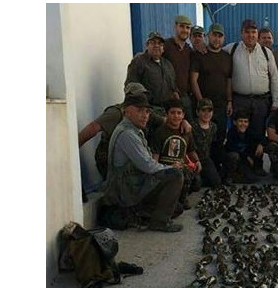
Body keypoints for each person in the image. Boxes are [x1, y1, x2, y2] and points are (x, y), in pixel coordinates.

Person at [100, 92, 184, 232]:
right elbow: (148, 166)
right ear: (127, 111)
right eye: (140, 111)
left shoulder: (134, 130)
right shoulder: (127, 134)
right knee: (175, 175)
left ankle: (139, 214)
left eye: (147, 111)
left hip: (135, 187)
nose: (145, 115)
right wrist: (170, 168)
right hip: (126, 193)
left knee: (177, 207)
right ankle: (159, 222)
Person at [78, 83, 166, 180]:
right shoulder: (116, 113)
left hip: (132, 157)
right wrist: (73, 149)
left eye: (144, 95)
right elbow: (93, 127)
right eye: (138, 95)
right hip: (109, 157)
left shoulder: (144, 112)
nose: (145, 115)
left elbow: (165, 122)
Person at [225, 18, 278, 155]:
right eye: (247, 32)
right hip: (240, 100)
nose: (251, 35)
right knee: (239, 135)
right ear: (241, 33)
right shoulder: (231, 49)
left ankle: (257, 163)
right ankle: (240, 163)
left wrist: (276, 101)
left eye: (253, 32)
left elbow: (274, 78)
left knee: (258, 134)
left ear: (257, 34)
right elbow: (214, 53)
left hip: (261, 102)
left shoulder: (266, 53)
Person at [190, 22, 233, 166]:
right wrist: (201, 102)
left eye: (220, 36)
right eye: (214, 35)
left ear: (224, 38)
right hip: (204, 107)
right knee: (202, 140)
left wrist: (229, 101)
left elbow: (229, 80)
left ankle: (217, 168)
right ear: (208, 36)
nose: (217, 39)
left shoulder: (227, 57)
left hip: (221, 106)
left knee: (219, 139)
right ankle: (201, 169)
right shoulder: (200, 55)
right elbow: (193, 80)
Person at [150, 99, 201, 209]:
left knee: (197, 181)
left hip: (181, 167)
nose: (176, 116)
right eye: (172, 113)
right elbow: (155, 157)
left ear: (183, 115)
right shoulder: (159, 132)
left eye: (179, 113)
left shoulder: (187, 131)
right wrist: (159, 170)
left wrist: (197, 161)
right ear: (167, 114)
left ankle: (181, 198)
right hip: (166, 169)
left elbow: (191, 150)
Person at [125, 31, 179, 110]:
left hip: (167, 109)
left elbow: (173, 87)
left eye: (160, 43)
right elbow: (130, 86)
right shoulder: (138, 62)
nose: (156, 45)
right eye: (153, 43)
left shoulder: (168, 64)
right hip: (148, 109)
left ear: (163, 48)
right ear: (147, 45)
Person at [163, 15, 195, 123]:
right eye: (182, 26)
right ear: (175, 27)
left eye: (188, 27)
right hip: (168, 97)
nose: (185, 30)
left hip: (184, 97)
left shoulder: (189, 50)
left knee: (189, 127)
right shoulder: (165, 46)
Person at [190, 98, 222, 190]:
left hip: (206, 159)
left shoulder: (214, 127)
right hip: (192, 159)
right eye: (203, 110)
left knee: (216, 183)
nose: (207, 113)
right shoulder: (191, 126)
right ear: (197, 112)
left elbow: (214, 146)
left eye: (209, 111)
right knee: (196, 185)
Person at [224, 109, 264, 184]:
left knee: (252, 179)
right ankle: (229, 175)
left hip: (246, 160)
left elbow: (263, 138)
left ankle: (253, 170)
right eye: (240, 121)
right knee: (234, 155)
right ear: (235, 122)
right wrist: (247, 157)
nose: (243, 124)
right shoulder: (231, 132)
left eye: (245, 122)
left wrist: (261, 144)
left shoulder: (251, 131)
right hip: (236, 159)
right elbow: (232, 148)